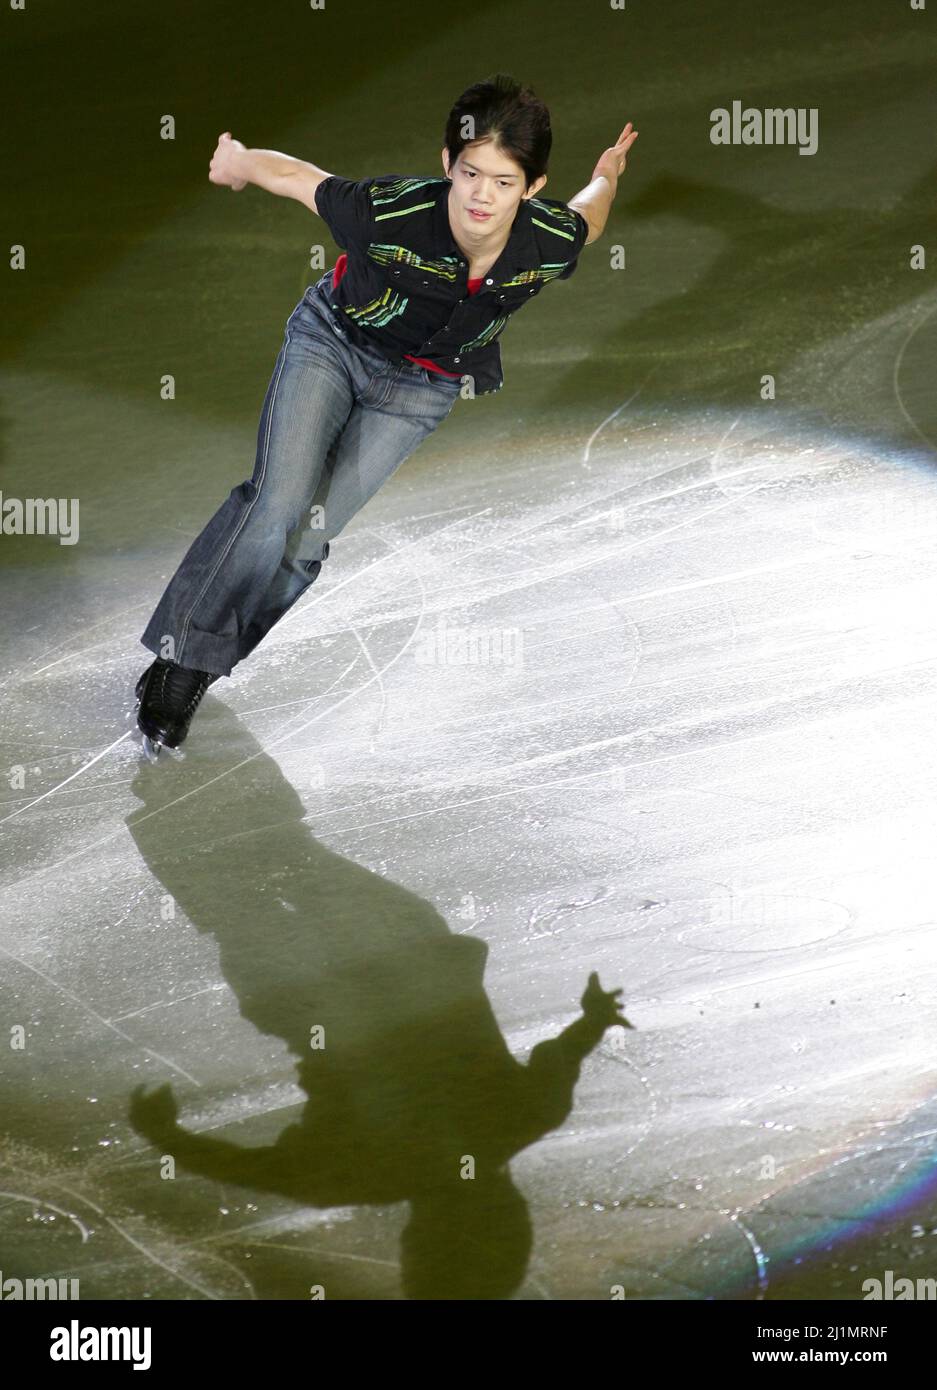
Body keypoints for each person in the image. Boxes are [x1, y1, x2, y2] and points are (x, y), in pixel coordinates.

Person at [134, 73, 638, 757]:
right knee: (276, 502)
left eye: (502, 182)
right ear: (446, 165)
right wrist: (241, 162)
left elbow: (591, 213)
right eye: (468, 173)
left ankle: (197, 659)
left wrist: (607, 173)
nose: (480, 196)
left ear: (532, 188)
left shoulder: (547, 241)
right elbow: (302, 179)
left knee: (308, 539)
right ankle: (181, 665)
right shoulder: (391, 212)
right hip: (332, 343)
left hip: (420, 389)